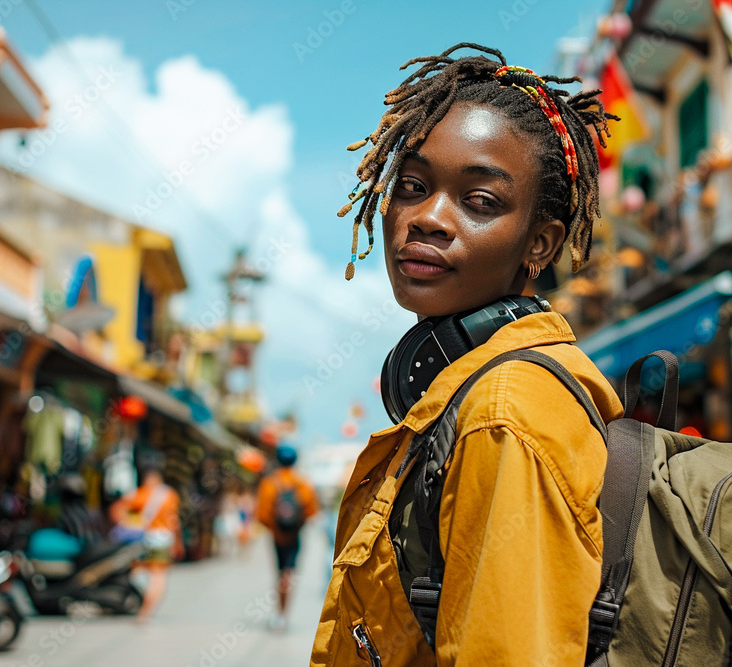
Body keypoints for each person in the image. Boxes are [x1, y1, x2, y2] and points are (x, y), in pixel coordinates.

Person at [311, 43, 623, 665]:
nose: (428, 218)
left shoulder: (502, 417)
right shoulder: (479, 396)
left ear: (540, 243)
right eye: (412, 186)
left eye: (480, 201)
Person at [109, 454, 182, 622]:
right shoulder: (169, 495)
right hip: (163, 539)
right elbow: (174, 522)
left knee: (138, 570)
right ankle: (146, 610)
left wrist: (133, 521)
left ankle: (141, 604)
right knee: (158, 576)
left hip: (143, 539)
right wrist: (177, 542)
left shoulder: (138, 494)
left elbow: (115, 511)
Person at [256, 444, 319, 631]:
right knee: (289, 573)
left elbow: (262, 515)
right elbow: (312, 511)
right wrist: (297, 525)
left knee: (279, 572)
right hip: (295, 536)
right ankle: (284, 614)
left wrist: (275, 528)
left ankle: (279, 613)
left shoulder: (269, 483)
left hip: (277, 537)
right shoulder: (302, 483)